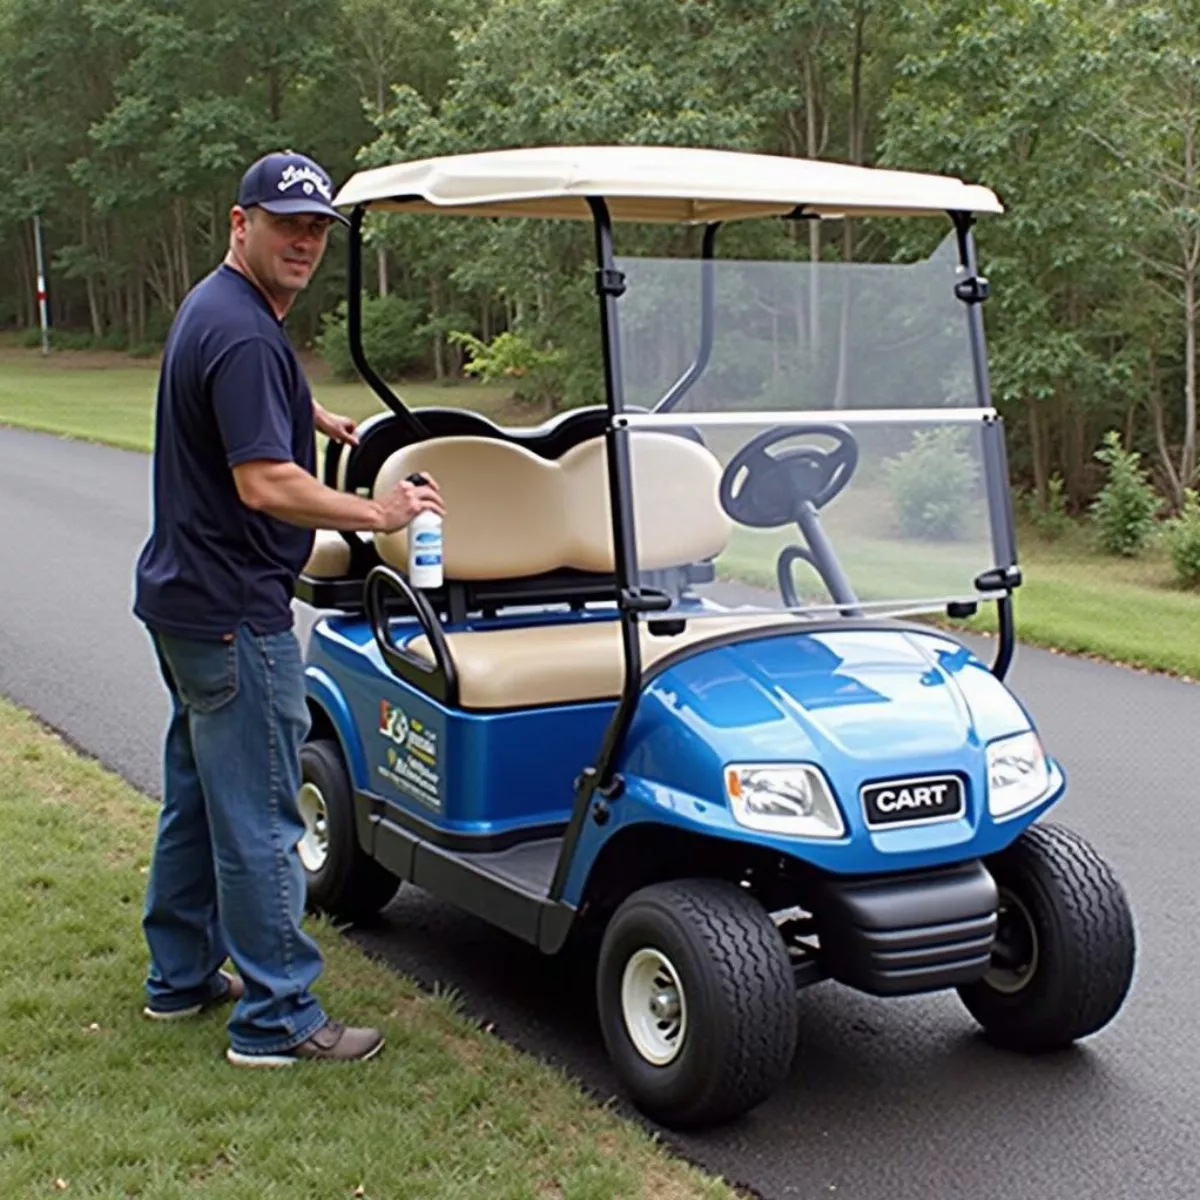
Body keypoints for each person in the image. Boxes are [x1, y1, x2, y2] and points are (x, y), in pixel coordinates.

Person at [131, 150, 444, 1066]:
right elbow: (264, 484)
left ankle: (180, 976)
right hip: (234, 614)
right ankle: (278, 1021)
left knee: (197, 799)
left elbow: (248, 400)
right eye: (286, 224)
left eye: (315, 228)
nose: (304, 241)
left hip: (186, 604)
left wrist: (312, 415)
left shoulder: (221, 311)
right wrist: (379, 513)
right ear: (241, 224)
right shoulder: (242, 333)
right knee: (264, 817)